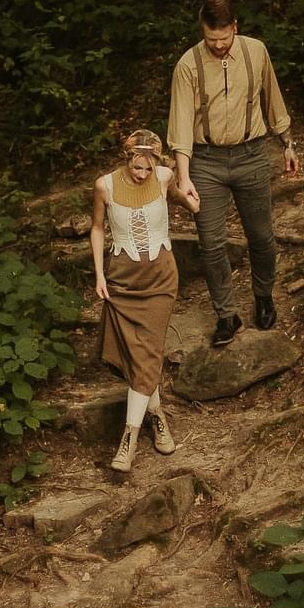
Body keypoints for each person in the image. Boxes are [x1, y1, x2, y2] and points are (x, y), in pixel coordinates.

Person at [168, 0, 299, 347]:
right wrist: (184, 178)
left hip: (253, 155)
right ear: (203, 31)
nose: (219, 45)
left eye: (224, 38)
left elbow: (274, 99)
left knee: (261, 237)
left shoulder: (256, 52)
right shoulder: (188, 65)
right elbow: (180, 126)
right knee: (211, 245)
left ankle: (263, 297)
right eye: (212, 39)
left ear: (235, 27)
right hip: (206, 161)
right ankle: (227, 315)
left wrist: (287, 142)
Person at [90, 128, 201, 475]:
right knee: (138, 354)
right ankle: (157, 414)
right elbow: (97, 229)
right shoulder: (104, 185)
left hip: (161, 277)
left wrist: (191, 200)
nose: (141, 175)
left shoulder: (165, 175)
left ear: (156, 163)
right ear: (126, 161)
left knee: (149, 349)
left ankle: (129, 438)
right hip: (123, 279)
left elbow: (180, 195)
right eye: (136, 168)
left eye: (147, 168)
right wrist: (99, 275)